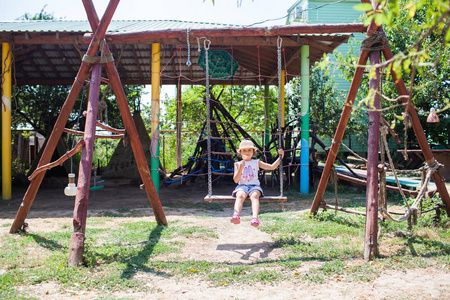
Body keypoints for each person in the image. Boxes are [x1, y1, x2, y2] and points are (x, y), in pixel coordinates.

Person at [230, 140, 284, 227]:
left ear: (253, 152)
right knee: (240, 195)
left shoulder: (256, 162)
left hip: (254, 186)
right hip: (242, 186)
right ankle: (236, 215)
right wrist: (241, 167)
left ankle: (255, 218)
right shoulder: (237, 164)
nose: (247, 152)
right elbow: (236, 180)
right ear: (240, 152)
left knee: (255, 196)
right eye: (244, 150)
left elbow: (272, 167)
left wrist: (280, 156)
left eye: (249, 150)